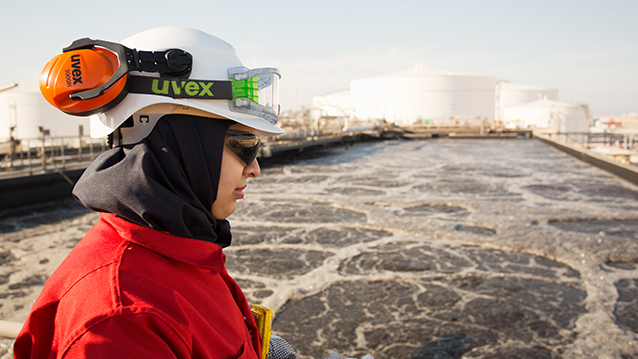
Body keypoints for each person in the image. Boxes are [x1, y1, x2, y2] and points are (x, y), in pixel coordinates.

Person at [14, 26, 285, 358]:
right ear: (180, 141)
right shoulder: (120, 319)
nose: (255, 168)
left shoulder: (181, 247)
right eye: (245, 145)